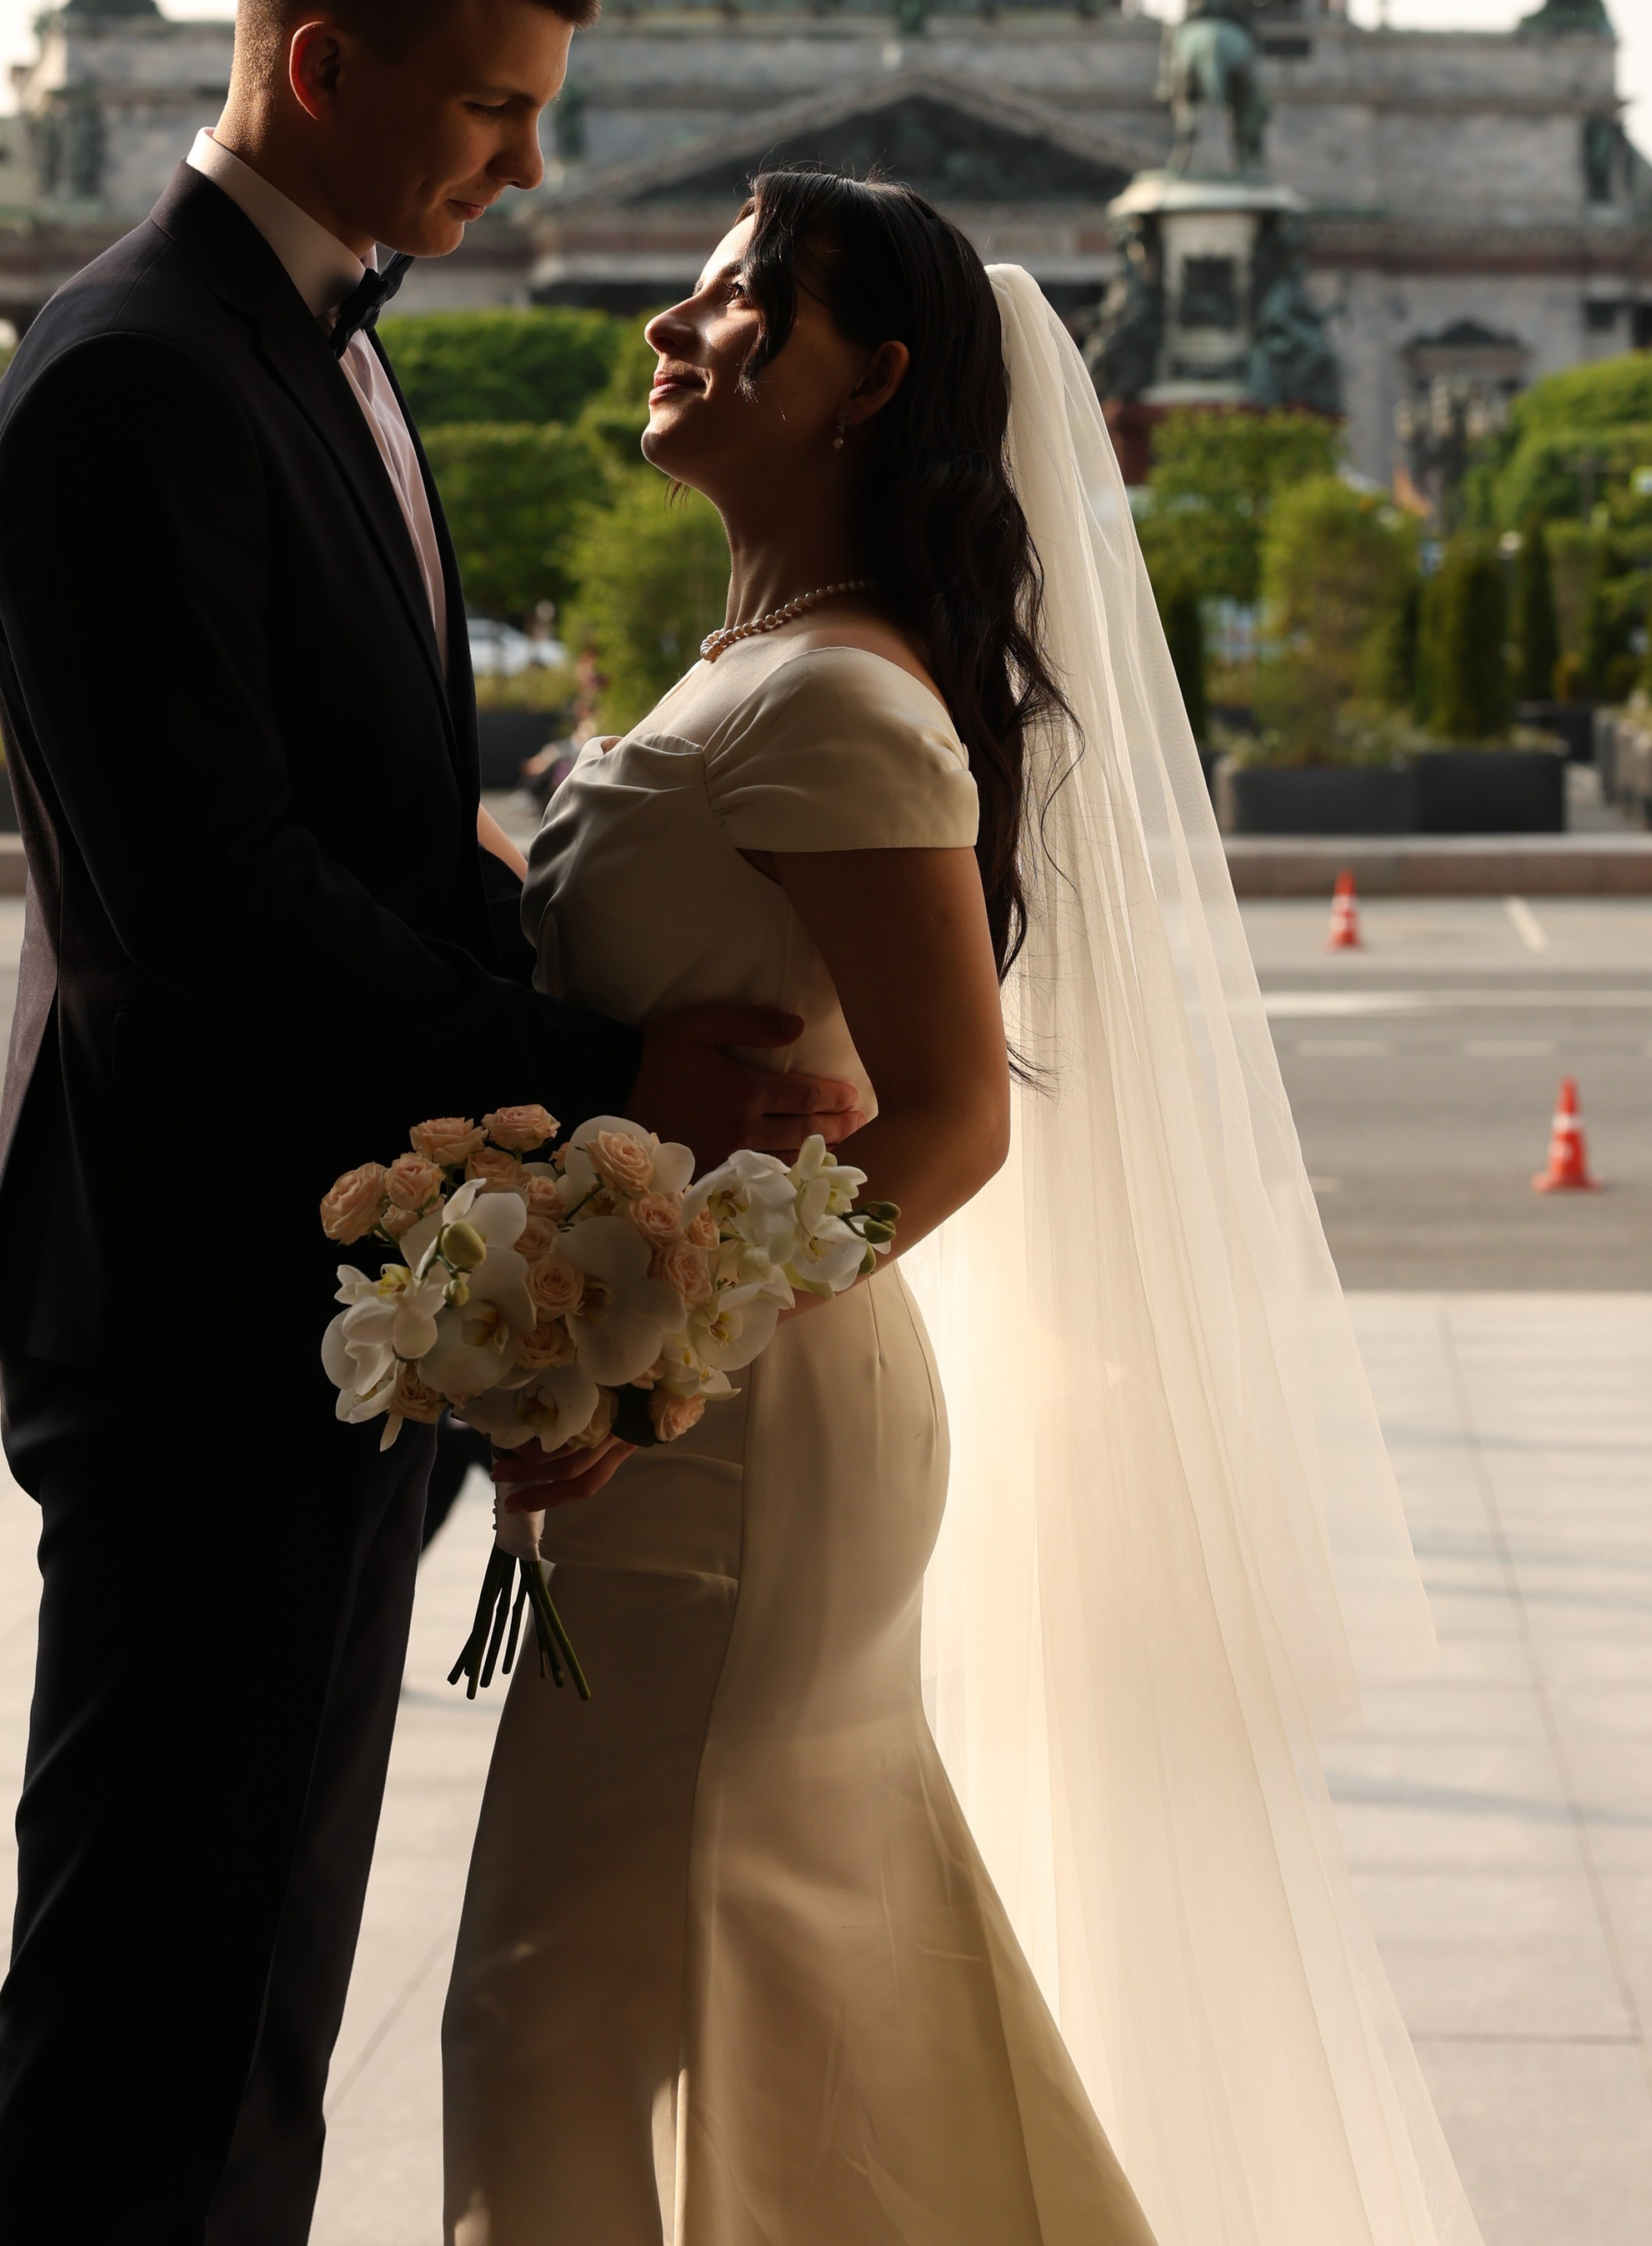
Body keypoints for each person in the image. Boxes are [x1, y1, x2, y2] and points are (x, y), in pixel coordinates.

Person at [0, 0, 859, 2246]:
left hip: (306, 1305)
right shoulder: (148, 373)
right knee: (162, 2003)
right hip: (204, 1319)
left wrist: (555, 1177)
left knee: (240, 1988)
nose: (537, 167)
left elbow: (364, 832)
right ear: (321, 57)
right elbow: (210, 907)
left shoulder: (295, 346)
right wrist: (606, 1090)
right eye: (492, 112)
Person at [443, 172, 1483, 2246]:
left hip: (737, 1432)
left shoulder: (834, 694)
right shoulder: (765, 658)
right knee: (778, 1989)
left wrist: (647, 1362)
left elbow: (940, 1116)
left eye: (741, 299)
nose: (673, 322)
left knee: (572, 2013)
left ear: (872, 381)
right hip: (707, 1414)